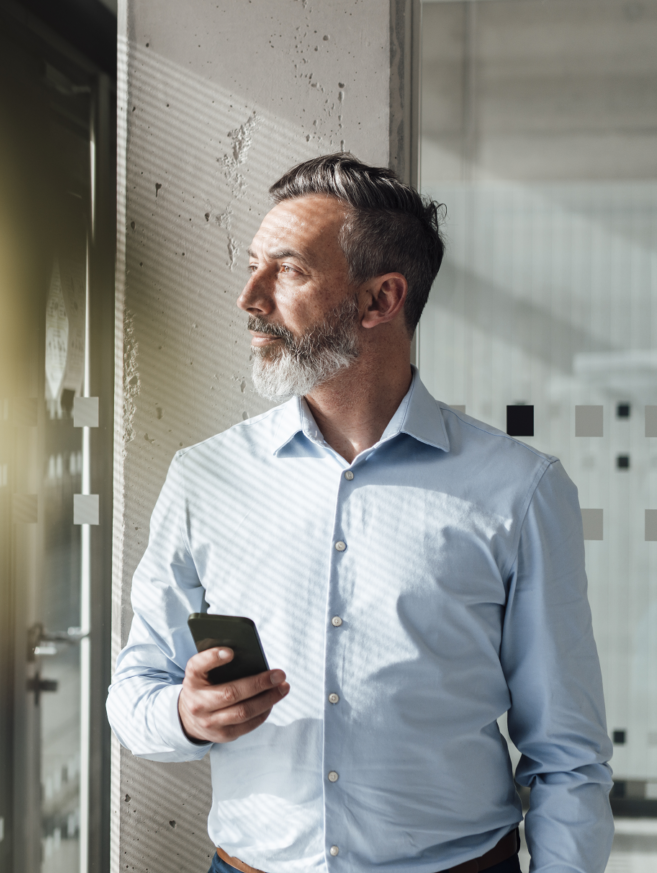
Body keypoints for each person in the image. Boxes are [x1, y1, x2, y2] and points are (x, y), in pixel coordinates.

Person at [107, 153, 613, 873]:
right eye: (253, 265)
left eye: (287, 271)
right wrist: (187, 717)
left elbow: (566, 756)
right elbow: (134, 695)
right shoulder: (205, 478)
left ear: (380, 301)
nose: (250, 297)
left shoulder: (520, 491)